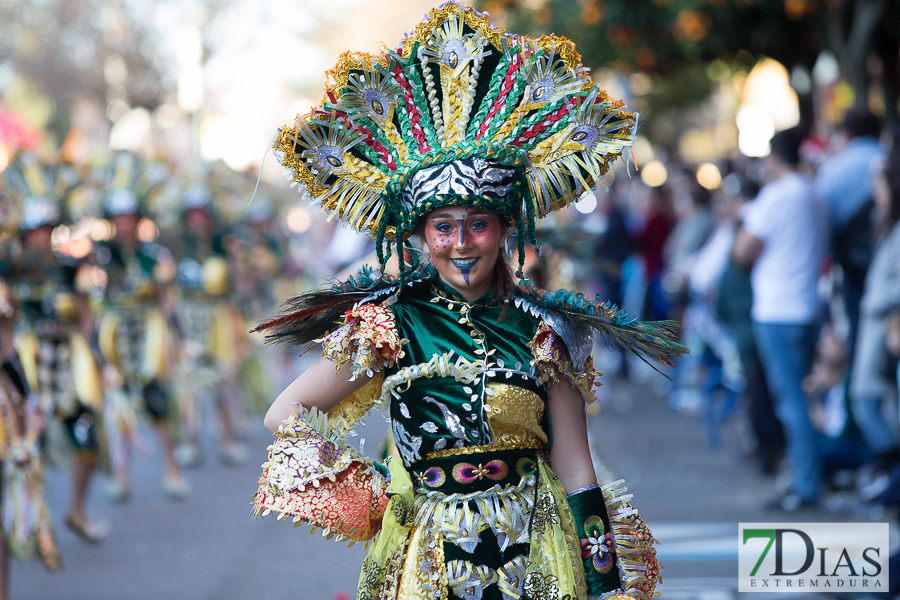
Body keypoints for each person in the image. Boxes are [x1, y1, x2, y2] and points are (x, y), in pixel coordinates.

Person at [251, 4, 687, 599]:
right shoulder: (389, 325)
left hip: (538, 556)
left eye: (478, 224)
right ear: (421, 236)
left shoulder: (546, 330)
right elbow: (285, 415)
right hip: (429, 560)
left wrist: (606, 583)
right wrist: (374, 490)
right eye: (443, 226)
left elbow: (577, 469)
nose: (460, 244)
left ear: (506, 230)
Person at [2, 152, 108, 542]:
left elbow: (86, 315)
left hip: (67, 362)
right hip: (26, 367)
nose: (41, 236)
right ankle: (30, 518)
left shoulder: (68, 267)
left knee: (87, 433)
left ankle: (77, 512)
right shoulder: (7, 270)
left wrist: (96, 358)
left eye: (47, 228)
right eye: (34, 229)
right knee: (30, 445)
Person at [732, 128, 830, 510]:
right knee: (803, 398)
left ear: (774, 158)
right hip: (808, 306)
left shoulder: (775, 196)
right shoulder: (816, 194)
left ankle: (806, 482)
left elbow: (742, 252)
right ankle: (808, 472)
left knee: (791, 402)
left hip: (777, 309)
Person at [94, 152, 189, 501]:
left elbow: (167, 300)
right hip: (116, 335)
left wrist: (178, 339)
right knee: (116, 404)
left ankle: (172, 471)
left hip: (148, 335)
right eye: (117, 217)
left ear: (137, 218)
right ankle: (120, 477)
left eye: (128, 216)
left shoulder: (155, 255)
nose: (122, 223)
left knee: (156, 401)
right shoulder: (100, 257)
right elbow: (93, 304)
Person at [849, 148, 900, 495]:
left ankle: (891, 471)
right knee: (869, 399)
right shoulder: (885, 226)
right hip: (877, 325)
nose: (872, 188)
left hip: (883, 324)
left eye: (878, 180)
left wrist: (876, 301)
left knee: (870, 400)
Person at [816, 109, 883, 352]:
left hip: (852, 265)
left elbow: (824, 220)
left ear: (847, 133)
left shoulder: (833, 168)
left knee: (858, 327)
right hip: (888, 259)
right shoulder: (887, 158)